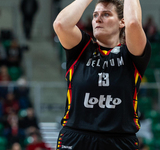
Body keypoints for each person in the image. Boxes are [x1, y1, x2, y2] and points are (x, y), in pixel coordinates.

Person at [53, 0, 151, 149]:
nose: (98, 19)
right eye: (95, 15)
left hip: (119, 140)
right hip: (76, 138)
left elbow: (134, 24)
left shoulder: (131, 55)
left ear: (121, 22)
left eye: (106, 14)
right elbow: (60, 24)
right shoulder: (81, 48)